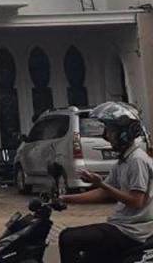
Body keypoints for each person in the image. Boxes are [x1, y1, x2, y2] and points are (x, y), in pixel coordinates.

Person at [59, 102, 153, 263]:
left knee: (68, 238)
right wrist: (65, 199)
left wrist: (101, 184)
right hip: (121, 226)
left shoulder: (137, 160)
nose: (106, 136)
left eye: (110, 130)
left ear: (123, 133)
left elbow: (136, 201)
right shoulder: (124, 160)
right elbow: (103, 193)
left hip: (133, 231)